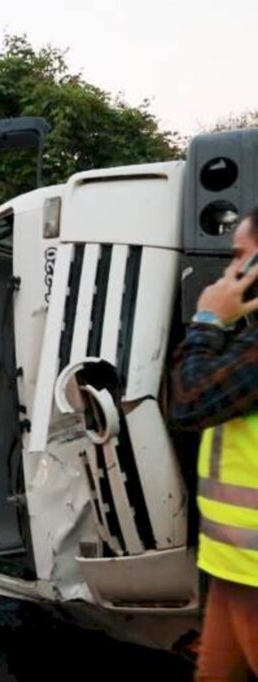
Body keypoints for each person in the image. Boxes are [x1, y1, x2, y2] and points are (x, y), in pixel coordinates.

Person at [168, 204, 258, 681]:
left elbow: (190, 401)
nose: (230, 270)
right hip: (234, 567)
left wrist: (207, 320)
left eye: (241, 255)